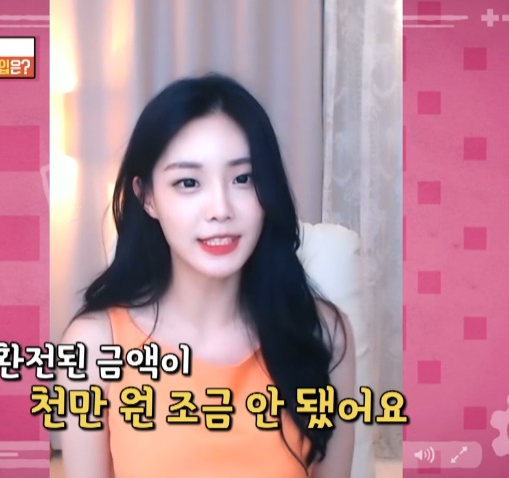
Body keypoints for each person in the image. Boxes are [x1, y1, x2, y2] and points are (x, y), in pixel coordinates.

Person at [59, 73, 356, 478]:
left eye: (243, 179)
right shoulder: (95, 345)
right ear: (147, 197)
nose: (220, 209)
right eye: (188, 182)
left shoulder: (322, 333)